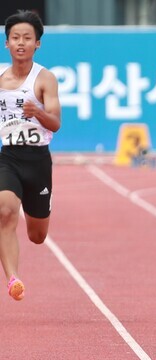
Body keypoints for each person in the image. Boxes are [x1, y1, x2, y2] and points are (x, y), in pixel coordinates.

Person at [0, 10, 61, 301]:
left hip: (37, 161)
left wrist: (37, 111)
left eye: (27, 38)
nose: (20, 43)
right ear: (7, 43)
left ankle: (38, 207)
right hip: (8, 157)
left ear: (37, 43)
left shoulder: (45, 78)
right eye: (15, 38)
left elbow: (56, 124)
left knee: (37, 236)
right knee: (4, 211)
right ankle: (12, 278)